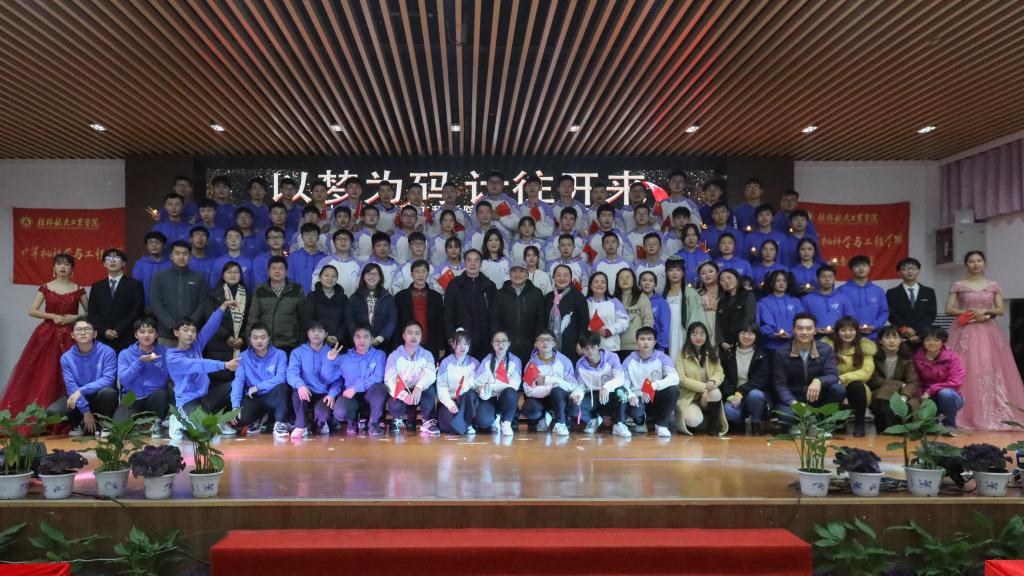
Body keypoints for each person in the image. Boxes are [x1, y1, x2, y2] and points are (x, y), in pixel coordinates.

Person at [944, 250, 1024, 429]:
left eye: (979, 261)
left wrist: (985, 312)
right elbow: (949, 309)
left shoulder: (993, 285)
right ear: (966, 264)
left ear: (984, 263)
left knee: (989, 366)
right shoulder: (959, 285)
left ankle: (992, 412)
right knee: (965, 366)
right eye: (971, 261)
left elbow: (1000, 309)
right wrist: (970, 313)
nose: (976, 264)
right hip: (964, 329)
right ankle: (961, 412)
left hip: (988, 331)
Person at [166, 300, 240, 439]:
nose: (190, 334)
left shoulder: (196, 345)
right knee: (203, 436)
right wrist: (224, 365)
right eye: (185, 330)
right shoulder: (173, 357)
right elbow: (198, 365)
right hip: (187, 402)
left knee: (235, 386)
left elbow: (209, 327)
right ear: (176, 333)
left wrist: (223, 307)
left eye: (193, 331)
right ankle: (177, 420)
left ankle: (220, 419)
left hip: (206, 398)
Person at [48, 317, 118, 437]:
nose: (83, 332)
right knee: (53, 411)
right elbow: (71, 386)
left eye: (87, 329)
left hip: (99, 395)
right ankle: (78, 422)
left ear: (95, 334)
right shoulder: (66, 358)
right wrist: (85, 411)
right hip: (79, 398)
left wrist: (81, 390)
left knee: (108, 393)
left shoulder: (107, 352)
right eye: (78, 330)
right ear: (72, 335)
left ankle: (104, 424)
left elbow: (108, 380)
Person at [771, 312, 845, 422]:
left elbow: (833, 375)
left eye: (808, 328)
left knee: (838, 389)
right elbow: (780, 385)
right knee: (787, 417)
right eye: (800, 328)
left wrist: (818, 381)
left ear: (815, 330)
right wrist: (794, 403)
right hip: (793, 397)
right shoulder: (781, 353)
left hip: (817, 397)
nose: (804, 332)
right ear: (793, 330)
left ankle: (821, 423)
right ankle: (804, 421)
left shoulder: (825, 349)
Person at [228, 323, 290, 437]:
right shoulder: (243, 357)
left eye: (263, 337)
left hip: (271, 396)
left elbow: (282, 377)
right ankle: (259, 418)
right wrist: (235, 406)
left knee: (283, 388)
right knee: (239, 419)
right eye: (255, 338)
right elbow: (238, 381)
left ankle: (279, 423)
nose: (259, 341)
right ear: (249, 339)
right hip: (253, 397)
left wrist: (258, 387)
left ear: (269, 338)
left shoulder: (280, 354)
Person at [325, 323, 388, 435]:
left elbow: (378, 377)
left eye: (366, 337)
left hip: (370, 396)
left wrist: (355, 388)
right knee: (340, 412)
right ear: (354, 339)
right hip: (351, 397)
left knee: (380, 387)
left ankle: (374, 422)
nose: (362, 340)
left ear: (372, 339)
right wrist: (329, 361)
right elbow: (328, 379)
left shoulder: (379, 355)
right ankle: (352, 420)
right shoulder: (344, 358)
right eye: (358, 337)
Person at [621, 326, 680, 438]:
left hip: (655, 396)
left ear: (655, 342)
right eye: (642, 339)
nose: (646, 342)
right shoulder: (629, 360)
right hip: (638, 398)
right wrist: (630, 395)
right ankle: (639, 421)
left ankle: (661, 425)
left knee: (673, 390)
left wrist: (652, 386)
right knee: (635, 410)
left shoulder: (662, 357)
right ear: (637, 341)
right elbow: (624, 383)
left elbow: (675, 378)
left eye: (649, 339)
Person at [115, 317, 171, 434]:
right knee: (120, 429)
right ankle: (138, 425)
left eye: (151, 332)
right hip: (132, 397)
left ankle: (156, 424)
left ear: (156, 335)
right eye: (142, 332)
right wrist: (139, 362)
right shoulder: (125, 354)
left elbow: (175, 375)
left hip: (155, 397)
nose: (146, 335)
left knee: (162, 394)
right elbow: (124, 380)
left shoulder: (165, 352)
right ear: (136, 335)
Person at [287, 322, 342, 438]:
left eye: (320, 331)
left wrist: (332, 394)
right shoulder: (298, 352)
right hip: (306, 391)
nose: (316, 334)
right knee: (297, 393)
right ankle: (301, 426)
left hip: (323, 394)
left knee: (323, 414)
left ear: (326, 334)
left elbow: (338, 380)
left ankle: (320, 422)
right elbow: (291, 374)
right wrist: (300, 385)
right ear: (308, 333)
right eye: (312, 330)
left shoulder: (333, 353)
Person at [824, 316, 876, 437]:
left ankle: (859, 425)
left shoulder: (865, 347)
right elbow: (824, 370)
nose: (847, 333)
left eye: (851, 330)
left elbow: (866, 372)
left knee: (857, 386)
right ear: (837, 332)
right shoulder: (827, 348)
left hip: (856, 388)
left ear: (857, 331)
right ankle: (833, 424)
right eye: (843, 330)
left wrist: (843, 378)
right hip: (833, 385)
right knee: (836, 390)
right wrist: (840, 388)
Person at [571, 332, 631, 437]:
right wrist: (577, 395)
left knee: (622, 392)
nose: (590, 351)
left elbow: (620, 378)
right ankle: (594, 419)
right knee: (574, 405)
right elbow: (580, 386)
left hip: (611, 394)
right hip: (593, 395)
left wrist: (606, 387)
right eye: (586, 348)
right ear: (582, 349)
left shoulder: (612, 357)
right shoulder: (580, 364)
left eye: (592, 347)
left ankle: (618, 424)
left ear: (598, 346)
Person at [384, 321, 439, 435]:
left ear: (421, 336)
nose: (414, 336)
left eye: (417, 333)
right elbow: (390, 380)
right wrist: (404, 395)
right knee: (394, 402)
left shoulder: (427, 355)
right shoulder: (394, 356)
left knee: (430, 391)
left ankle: (427, 422)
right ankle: (397, 419)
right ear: (404, 336)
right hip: (402, 389)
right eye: (410, 333)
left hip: (420, 390)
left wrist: (418, 387)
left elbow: (430, 375)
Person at [673, 322, 727, 436]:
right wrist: (703, 387)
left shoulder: (712, 353)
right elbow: (681, 378)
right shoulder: (682, 355)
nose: (698, 337)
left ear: (706, 336)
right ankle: (694, 421)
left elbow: (719, 373)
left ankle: (713, 426)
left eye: (702, 334)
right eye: (695, 334)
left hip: (707, 396)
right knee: (693, 420)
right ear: (689, 336)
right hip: (689, 397)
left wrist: (713, 381)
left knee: (716, 392)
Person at [151, 241, 209, 347]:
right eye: (177, 253)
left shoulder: (199, 278)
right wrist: (173, 327)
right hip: (166, 335)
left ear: (190, 256)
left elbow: (203, 304)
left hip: (191, 335)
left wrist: (188, 326)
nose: (181, 257)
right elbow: (156, 304)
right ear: (171, 256)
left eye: (185, 254)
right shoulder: (159, 277)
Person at [521, 330, 577, 437]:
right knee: (530, 409)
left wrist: (548, 380)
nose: (545, 342)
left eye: (548, 340)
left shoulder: (564, 361)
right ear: (536, 344)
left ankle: (560, 422)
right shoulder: (531, 364)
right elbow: (528, 390)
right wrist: (550, 389)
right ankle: (541, 418)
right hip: (539, 399)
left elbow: (572, 385)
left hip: (558, 399)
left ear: (554, 343)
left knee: (557, 392)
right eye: (541, 340)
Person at [88, 248, 144, 352]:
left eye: (117, 258)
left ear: (123, 263)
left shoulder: (135, 285)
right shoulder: (97, 286)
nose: (112, 260)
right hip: (102, 337)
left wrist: (118, 329)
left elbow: (137, 310)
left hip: (127, 336)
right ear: (104, 264)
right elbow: (92, 312)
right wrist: (104, 330)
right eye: (108, 258)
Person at [490, 263, 547, 364]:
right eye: (514, 271)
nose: (517, 274)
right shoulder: (499, 294)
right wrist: (498, 341)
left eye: (521, 271)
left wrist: (538, 340)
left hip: (531, 347)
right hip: (505, 347)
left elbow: (541, 319)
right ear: (509, 274)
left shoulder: (536, 293)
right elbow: (494, 320)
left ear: (527, 274)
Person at [443, 249, 497, 357]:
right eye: (469, 260)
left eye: (476, 260)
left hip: (484, 340)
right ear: (464, 263)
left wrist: (494, 336)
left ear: (481, 263)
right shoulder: (454, 285)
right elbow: (448, 313)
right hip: (461, 340)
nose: (472, 264)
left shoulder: (490, 286)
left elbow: (495, 315)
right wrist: (450, 336)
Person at [868, 325, 920, 434]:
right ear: (880, 341)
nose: (892, 341)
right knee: (886, 395)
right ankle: (888, 432)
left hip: (902, 393)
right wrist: (899, 384)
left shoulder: (906, 358)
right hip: (879, 392)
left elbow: (913, 382)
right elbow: (873, 380)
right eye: (887, 337)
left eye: (895, 337)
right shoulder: (873, 357)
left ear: (900, 340)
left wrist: (904, 396)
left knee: (911, 405)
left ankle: (901, 433)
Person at [721, 323, 771, 435]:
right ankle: (739, 423)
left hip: (751, 393)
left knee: (756, 395)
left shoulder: (762, 355)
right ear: (738, 334)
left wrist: (740, 393)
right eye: (743, 332)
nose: (746, 336)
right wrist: (730, 395)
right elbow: (723, 377)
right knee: (729, 410)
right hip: (734, 395)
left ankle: (755, 422)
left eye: (751, 333)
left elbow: (759, 380)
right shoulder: (728, 354)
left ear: (756, 336)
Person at [913, 326, 966, 430]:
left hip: (949, 398)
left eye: (936, 340)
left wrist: (932, 389)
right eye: (928, 340)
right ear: (922, 341)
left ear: (943, 341)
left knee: (945, 393)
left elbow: (956, 382)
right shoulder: (916, 358)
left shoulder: (952, 357)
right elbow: (914, 381)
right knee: (928, 428)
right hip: (925, 397)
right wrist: (920, 395)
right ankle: (931, 424)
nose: (932, 343)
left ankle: (950, 425)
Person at [250, 256, 305, 353]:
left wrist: (301, 343)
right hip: (265, 345)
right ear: (268, 272)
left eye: (280, 268)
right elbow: (253, 319)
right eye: (273, 268)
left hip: (290, 345)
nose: (277, 271)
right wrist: (251, 343)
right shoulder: (260, 291)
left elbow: (303, 319)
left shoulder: (297, 290)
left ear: (286, 272)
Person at [474, 330, 523, 436]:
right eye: (497, 341)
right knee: (482, 421)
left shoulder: (515, 361)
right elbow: (478, 383)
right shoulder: (486, 361)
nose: (500, 344)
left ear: (509, 343)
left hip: (506, 398)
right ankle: (494, 419)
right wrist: (483, 390)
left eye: (504, 341)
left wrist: (490, 387)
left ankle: (506, 423)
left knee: (510, 392)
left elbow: (514, 385)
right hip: (490, 398)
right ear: (492, 344)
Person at [393, 260, 445, 359]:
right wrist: (395, 345)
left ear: (428, 274)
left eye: (423, 271)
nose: (420, 275)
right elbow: (396, 323)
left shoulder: (436, 297)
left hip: (431, 343)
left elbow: (440, 323)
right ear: (411, 274)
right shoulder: (401, 296)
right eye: (417, 271)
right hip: (406, 344)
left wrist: (441, 344)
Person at [435, 330, 481, 435]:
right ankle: (465, 425)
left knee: (469, 394)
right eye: (459, 343)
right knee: (448, 425)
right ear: (453, 344)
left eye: (466, 343)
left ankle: (466, 424)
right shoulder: (445, 363)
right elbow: (441, 388)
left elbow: (476, 383)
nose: (462, 347)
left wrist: (465, 386)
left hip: (467, 402)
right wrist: (450, 404)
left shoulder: (475, 363)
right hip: (450, 400)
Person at [345, 262, 397, 351]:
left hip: (382, 343)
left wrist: (381, 337)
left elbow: (392, 320)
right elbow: (349, 319)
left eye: (375, 274)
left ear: (380, 277)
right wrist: (360, 337)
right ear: (363, 277)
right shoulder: (354, 297)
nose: (372, 276)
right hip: (359, 343)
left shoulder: (387, 297)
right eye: (368, 273)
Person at [544, 264, 591, 363]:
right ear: (553, 277)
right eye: (558, 275)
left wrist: (581, 342)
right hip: (549, 345)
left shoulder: (578, 297)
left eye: (565, 275)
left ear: (570, 278)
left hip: (571, 345)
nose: (562, 278)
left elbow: (584, 322)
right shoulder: (548, 297)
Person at [836, 255, 889, 341]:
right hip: (849, 336)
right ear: (851, 269)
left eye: (864, 265)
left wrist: (874, 326)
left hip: (874, 336)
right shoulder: (841, 290)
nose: (861, 268)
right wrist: (853, 327)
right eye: (857, 266)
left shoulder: (878, 290)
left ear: (869, 268)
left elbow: (884, 312)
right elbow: (838, 313)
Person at [886, 257, 937, 346]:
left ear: (918, 270)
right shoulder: (891, 293)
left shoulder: (928, 292)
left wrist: (917, 330)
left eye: (913, 268)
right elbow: (891, 315)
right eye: (905, 269)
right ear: (899, 272)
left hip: (923, 336)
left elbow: (931, 315)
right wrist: (905, 329)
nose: (910, 272)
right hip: (901, 336)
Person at [663, 258, 707, 359]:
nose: (674, 273)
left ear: (683, 273)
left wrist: (693, 333)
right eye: (671, 270)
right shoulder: (663, 294)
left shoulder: (690, 293)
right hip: (668, 332)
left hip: (684, 330)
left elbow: (696, 315)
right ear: (666, 273)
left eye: (678, 270)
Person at [299, 264, 348, 345]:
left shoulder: (344, 298)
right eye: (326, 275)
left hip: (338, 342)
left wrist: (337, 337)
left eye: (333, 276)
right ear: (320, 277)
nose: (330, 278)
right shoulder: (312, 296)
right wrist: (325, 337)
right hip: (316, 341)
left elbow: (346, 321)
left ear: (337, 279)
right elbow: (307, 319)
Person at [757, 270, 805, 352]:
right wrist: (771, 334)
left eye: (784, 281)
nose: (781, 283)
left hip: (793, 346)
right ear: (772, 283)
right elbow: (759, 324)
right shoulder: (763, 302)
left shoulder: (795, 301)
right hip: (771, 347)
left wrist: (792, 334)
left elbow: (802, 321)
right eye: (777, 281)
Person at [802, 265, 855, 337]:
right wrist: (814, 330)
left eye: (830, 276)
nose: (827, 279)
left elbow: (850, 319)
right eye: (823, 276)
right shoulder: (807, 299)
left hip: (838, 338)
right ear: (817, 279)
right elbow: (803, 321)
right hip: (815, 338)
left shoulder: (843, 298)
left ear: (834, 278)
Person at [585, 272, 630, 355]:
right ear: (590, 286)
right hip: (589, 348)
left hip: (611, 347)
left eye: (603, 282)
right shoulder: (584, 302)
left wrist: (609, 331)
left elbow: (624, 321)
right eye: (596, 282)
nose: (599, 284)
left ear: (606, 285)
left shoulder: (614, 301)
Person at [613, 268, 653, 360]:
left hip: (636, 346)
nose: (625, 280)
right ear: (617, 281)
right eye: (621, 278)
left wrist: (645, 342)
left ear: (633, 280)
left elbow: (648, 320)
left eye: (628, 277)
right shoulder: (613, 299)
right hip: (617, 347)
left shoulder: (641, 297)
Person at [312, 229, 362, 297]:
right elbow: (315, 281)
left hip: (352, 302)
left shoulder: (358, 263)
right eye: (339, 239)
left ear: (351, 243)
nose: (343, 241)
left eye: (346, 239)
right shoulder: (325, 261)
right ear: (334, 242)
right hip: (329, 302)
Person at [132, 231, 171, 309]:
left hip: (167, 308)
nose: (154, 245)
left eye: (157, 242)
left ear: (164, 245)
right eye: (150, 242)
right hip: (144, 307)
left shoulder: (170, 264)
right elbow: (136, 288)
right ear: (146, 246)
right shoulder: (139, 264)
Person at [288, 223, 328, 293]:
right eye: (306, 234)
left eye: (313, 234)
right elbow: (290, 279)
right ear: (302, 237)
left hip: (319, 297)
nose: (310, 237)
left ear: (318, 237)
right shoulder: (293, 257)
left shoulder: (324, 258)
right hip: (298, 296)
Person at [639, 271, 670, 352]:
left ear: (655, 285)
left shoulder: (661, 302)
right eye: (644, 280)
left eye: (651, 281)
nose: (647, 283)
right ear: (639, 283)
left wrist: (661, 347)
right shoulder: (635, 301)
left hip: (656, 345)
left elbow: (665, 327)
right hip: (637, 344)